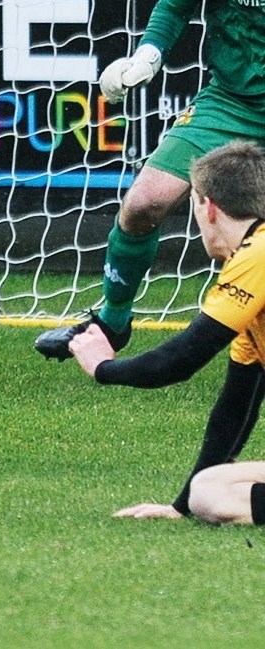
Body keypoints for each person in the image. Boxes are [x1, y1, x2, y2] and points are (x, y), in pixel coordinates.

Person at [37, 0, 265, 361]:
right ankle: (112, 322)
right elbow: (176, 2)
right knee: (144, 202)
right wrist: (147, 56)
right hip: (229, 103)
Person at [68, 139, 265, 524]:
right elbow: (236, 405)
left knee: (211, 494)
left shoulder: (256, 255)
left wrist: (103, 367)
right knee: (208, 488)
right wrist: (180, 507)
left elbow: (181, 358)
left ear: (208, 207)